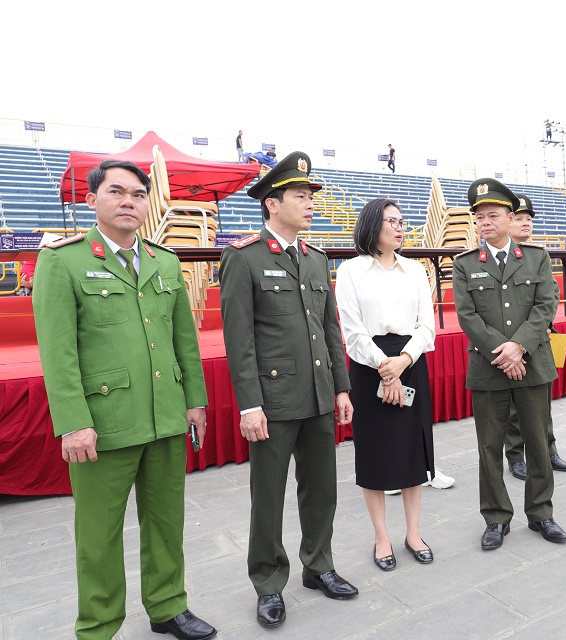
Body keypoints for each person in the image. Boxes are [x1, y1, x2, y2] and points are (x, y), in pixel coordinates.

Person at [33, 160, 216, 640]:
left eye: (138, 194)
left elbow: (184, 342)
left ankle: (167, 606)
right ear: (92, 200)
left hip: (165, 415)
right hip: (103, 422)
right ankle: (98, 626)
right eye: (117, 191)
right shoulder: (64, 260)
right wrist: (72, 421)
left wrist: (194, 402)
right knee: (98, 536)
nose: (129, 201)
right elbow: (58, 352)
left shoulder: (165, 261)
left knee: (165, 523)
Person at [219, 151, 357, 628]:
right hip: (273, 403)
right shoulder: (244, 256)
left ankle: (319, 566)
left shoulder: (315, 258)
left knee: (321, 490)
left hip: (320, 396)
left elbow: (330, 329)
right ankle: (268, 582)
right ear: (272, 204)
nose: (310, 203)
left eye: (311, 196)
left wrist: (341, 389)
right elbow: (239, 341)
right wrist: (250, 404)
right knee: (269, 496)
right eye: (300, 195)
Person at [452, 178, 566, 551]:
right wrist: (503, 353)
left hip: (532, 364)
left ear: (509, 217)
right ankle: (496, 518)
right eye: (479, 217)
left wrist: (518, 347)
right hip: (488, 368)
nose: (485, 222)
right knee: (489, 447)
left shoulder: (536, 258)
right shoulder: (465, 264)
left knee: (537, 443)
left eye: (493, 215)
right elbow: (468, 316)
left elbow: (545, 306)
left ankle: (541, 514)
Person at [335, 198, 437, 571]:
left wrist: (403, 362)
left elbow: (427, 326)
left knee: (412, 450)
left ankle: (413, 533)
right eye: (391, 220)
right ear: (372, 225)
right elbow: (352, 330)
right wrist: (384, 368)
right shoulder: (350, 271)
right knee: (375, 454)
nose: (399, 226)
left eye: (402, 220)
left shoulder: (415, 270)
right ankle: (381, 536)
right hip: (369, 364)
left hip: (410, 359)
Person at [503, 194, 566, 480]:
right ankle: (515, 455)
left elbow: (550, 297)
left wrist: (539, 327)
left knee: (542, 401)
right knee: (512, 405)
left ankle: (549, 449)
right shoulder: (494, 259)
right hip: (509, 343)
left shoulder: (537, 256)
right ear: (507, 221)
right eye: (519, 218)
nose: (525, 223)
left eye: (528, 219)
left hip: (539, 338)